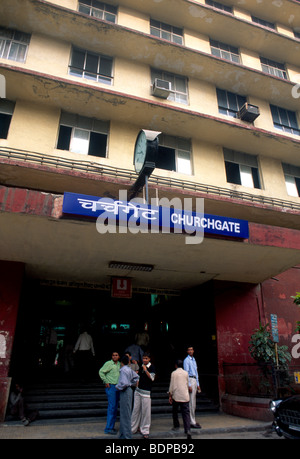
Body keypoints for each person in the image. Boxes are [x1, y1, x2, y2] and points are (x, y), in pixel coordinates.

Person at [131, 352, 156, 439]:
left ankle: (145, 430)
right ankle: (133, 428)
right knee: (135, 410)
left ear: (149, 359)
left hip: (146, 392)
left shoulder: (151, 367)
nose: (144, 360)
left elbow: (152, 378)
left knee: (146, 412)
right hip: (138, 391)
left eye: (146, 358)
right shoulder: (141, 365)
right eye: (143, 358)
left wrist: (146, 370)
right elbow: (138, 377)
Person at [116, 355, 139, 439]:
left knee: (125, 414)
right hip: (129, 390)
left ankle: (127, 436)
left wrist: (118, 386)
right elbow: (136, 377)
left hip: (125, 391)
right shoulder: (129, 369)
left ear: (121, 362)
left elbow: (124, 383)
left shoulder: (123, 370)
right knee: (125, 413)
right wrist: (131, 383)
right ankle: (122, 434)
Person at [168, 360, 192, 440]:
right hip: (184, 395)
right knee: (186, 413)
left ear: (176, 365)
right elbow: (187, 383)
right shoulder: (186, 373)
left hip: (176, 395)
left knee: (175, 411)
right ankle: (187, 429)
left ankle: (176, 425)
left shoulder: (173, 373)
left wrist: (170, 395)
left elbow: (172, 385)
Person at [99, 351, 120, 434]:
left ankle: (111, 427)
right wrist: (106, 381)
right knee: (112, 407)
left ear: (119, 356)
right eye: (113, 355)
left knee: (114, 407)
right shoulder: (108, 363)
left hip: (118, 387)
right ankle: (108, 428)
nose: (114, 356)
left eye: (116, 355)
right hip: (111, 386)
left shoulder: (119, 364)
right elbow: (101, 372)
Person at [183, 346, 201, 429]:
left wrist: (198, 384)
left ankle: (193, 419)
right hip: (190, 379)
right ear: (187, 351)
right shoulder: (186, 361)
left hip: (194, 380)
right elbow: (186, 373)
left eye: (191, 350)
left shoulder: (194, 360)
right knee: (191, 402)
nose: (190, 351)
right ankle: (191, 421)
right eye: (189, 350)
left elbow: (196, 372)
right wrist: (189, 385)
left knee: (193, 402)